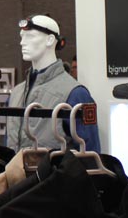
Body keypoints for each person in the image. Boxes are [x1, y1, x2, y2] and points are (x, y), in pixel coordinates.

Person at [8, 14, 101, 152]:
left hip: (56, 167)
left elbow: (90, 153)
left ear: (50, 40)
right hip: (16, 166)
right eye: (22, 37)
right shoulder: (16, 93)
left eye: (30, 36)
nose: (22, 42)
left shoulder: (75, 93)